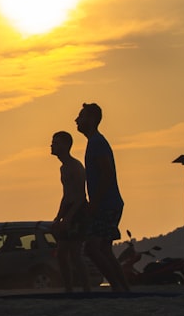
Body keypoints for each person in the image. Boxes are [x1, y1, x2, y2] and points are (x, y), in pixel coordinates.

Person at [76, 103, 130, 293]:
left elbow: (107, 173)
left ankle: (117, 287)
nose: (76, 120)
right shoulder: (95, 142)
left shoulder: (97, 143)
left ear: (90, 119)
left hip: (106, 204)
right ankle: (123, 288)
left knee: (91, 249)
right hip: (109, 203)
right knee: (105, 249)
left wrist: (95, 203)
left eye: (80, 116)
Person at [49, 131, 92, 293]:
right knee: (61, 254)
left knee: (74, 254)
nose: (52, 145)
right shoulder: (63, 168)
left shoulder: (75, 166)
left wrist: (69, 217)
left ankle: (87, 289)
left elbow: (80, 195)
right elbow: (66, 194)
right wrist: (59, 216)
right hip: (68, 209)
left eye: (56, 142)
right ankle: (69, 289)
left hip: (78, 211)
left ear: (66, 145)